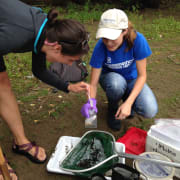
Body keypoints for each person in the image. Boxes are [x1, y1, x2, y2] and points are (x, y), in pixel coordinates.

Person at [0, 0, 90, 179]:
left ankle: (21, 142)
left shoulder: (46, 33)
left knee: (2, 83)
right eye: (71, 60)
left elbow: (39, 70)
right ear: (57, 48)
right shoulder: (18, 35)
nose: (71, 65)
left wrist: (67, 86)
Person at [81, 8, 158, 131]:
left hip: (132, 79)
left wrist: (128, 103)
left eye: (113, 38)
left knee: (150, 110)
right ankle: (113, 108)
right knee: (116, 83)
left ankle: (128, 101)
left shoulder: (138, 40)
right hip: (111, 79)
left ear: (124, 31)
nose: (109, 43)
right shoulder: (100, 47)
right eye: (105, 38)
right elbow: (93, 84)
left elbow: (142, 76)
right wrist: (91, 111)